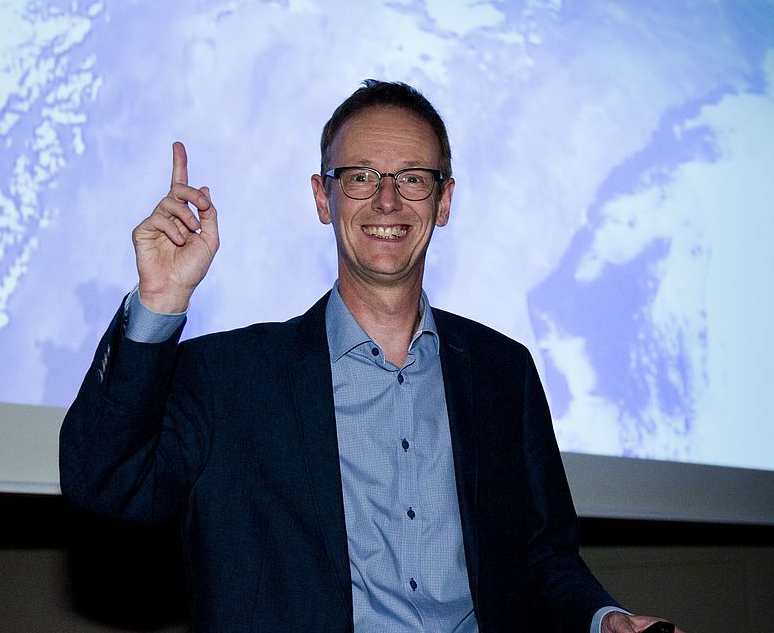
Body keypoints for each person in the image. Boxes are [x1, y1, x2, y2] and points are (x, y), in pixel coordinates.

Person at [60, 81, 683, 633]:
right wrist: (158, 302)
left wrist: (603, 619)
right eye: (360, 176)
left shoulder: (503, 372)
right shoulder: (229, 378)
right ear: (322, 197)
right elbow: (106, 484)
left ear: (443, 201)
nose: (388, 201)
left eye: (413, 178)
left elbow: (546, 561)